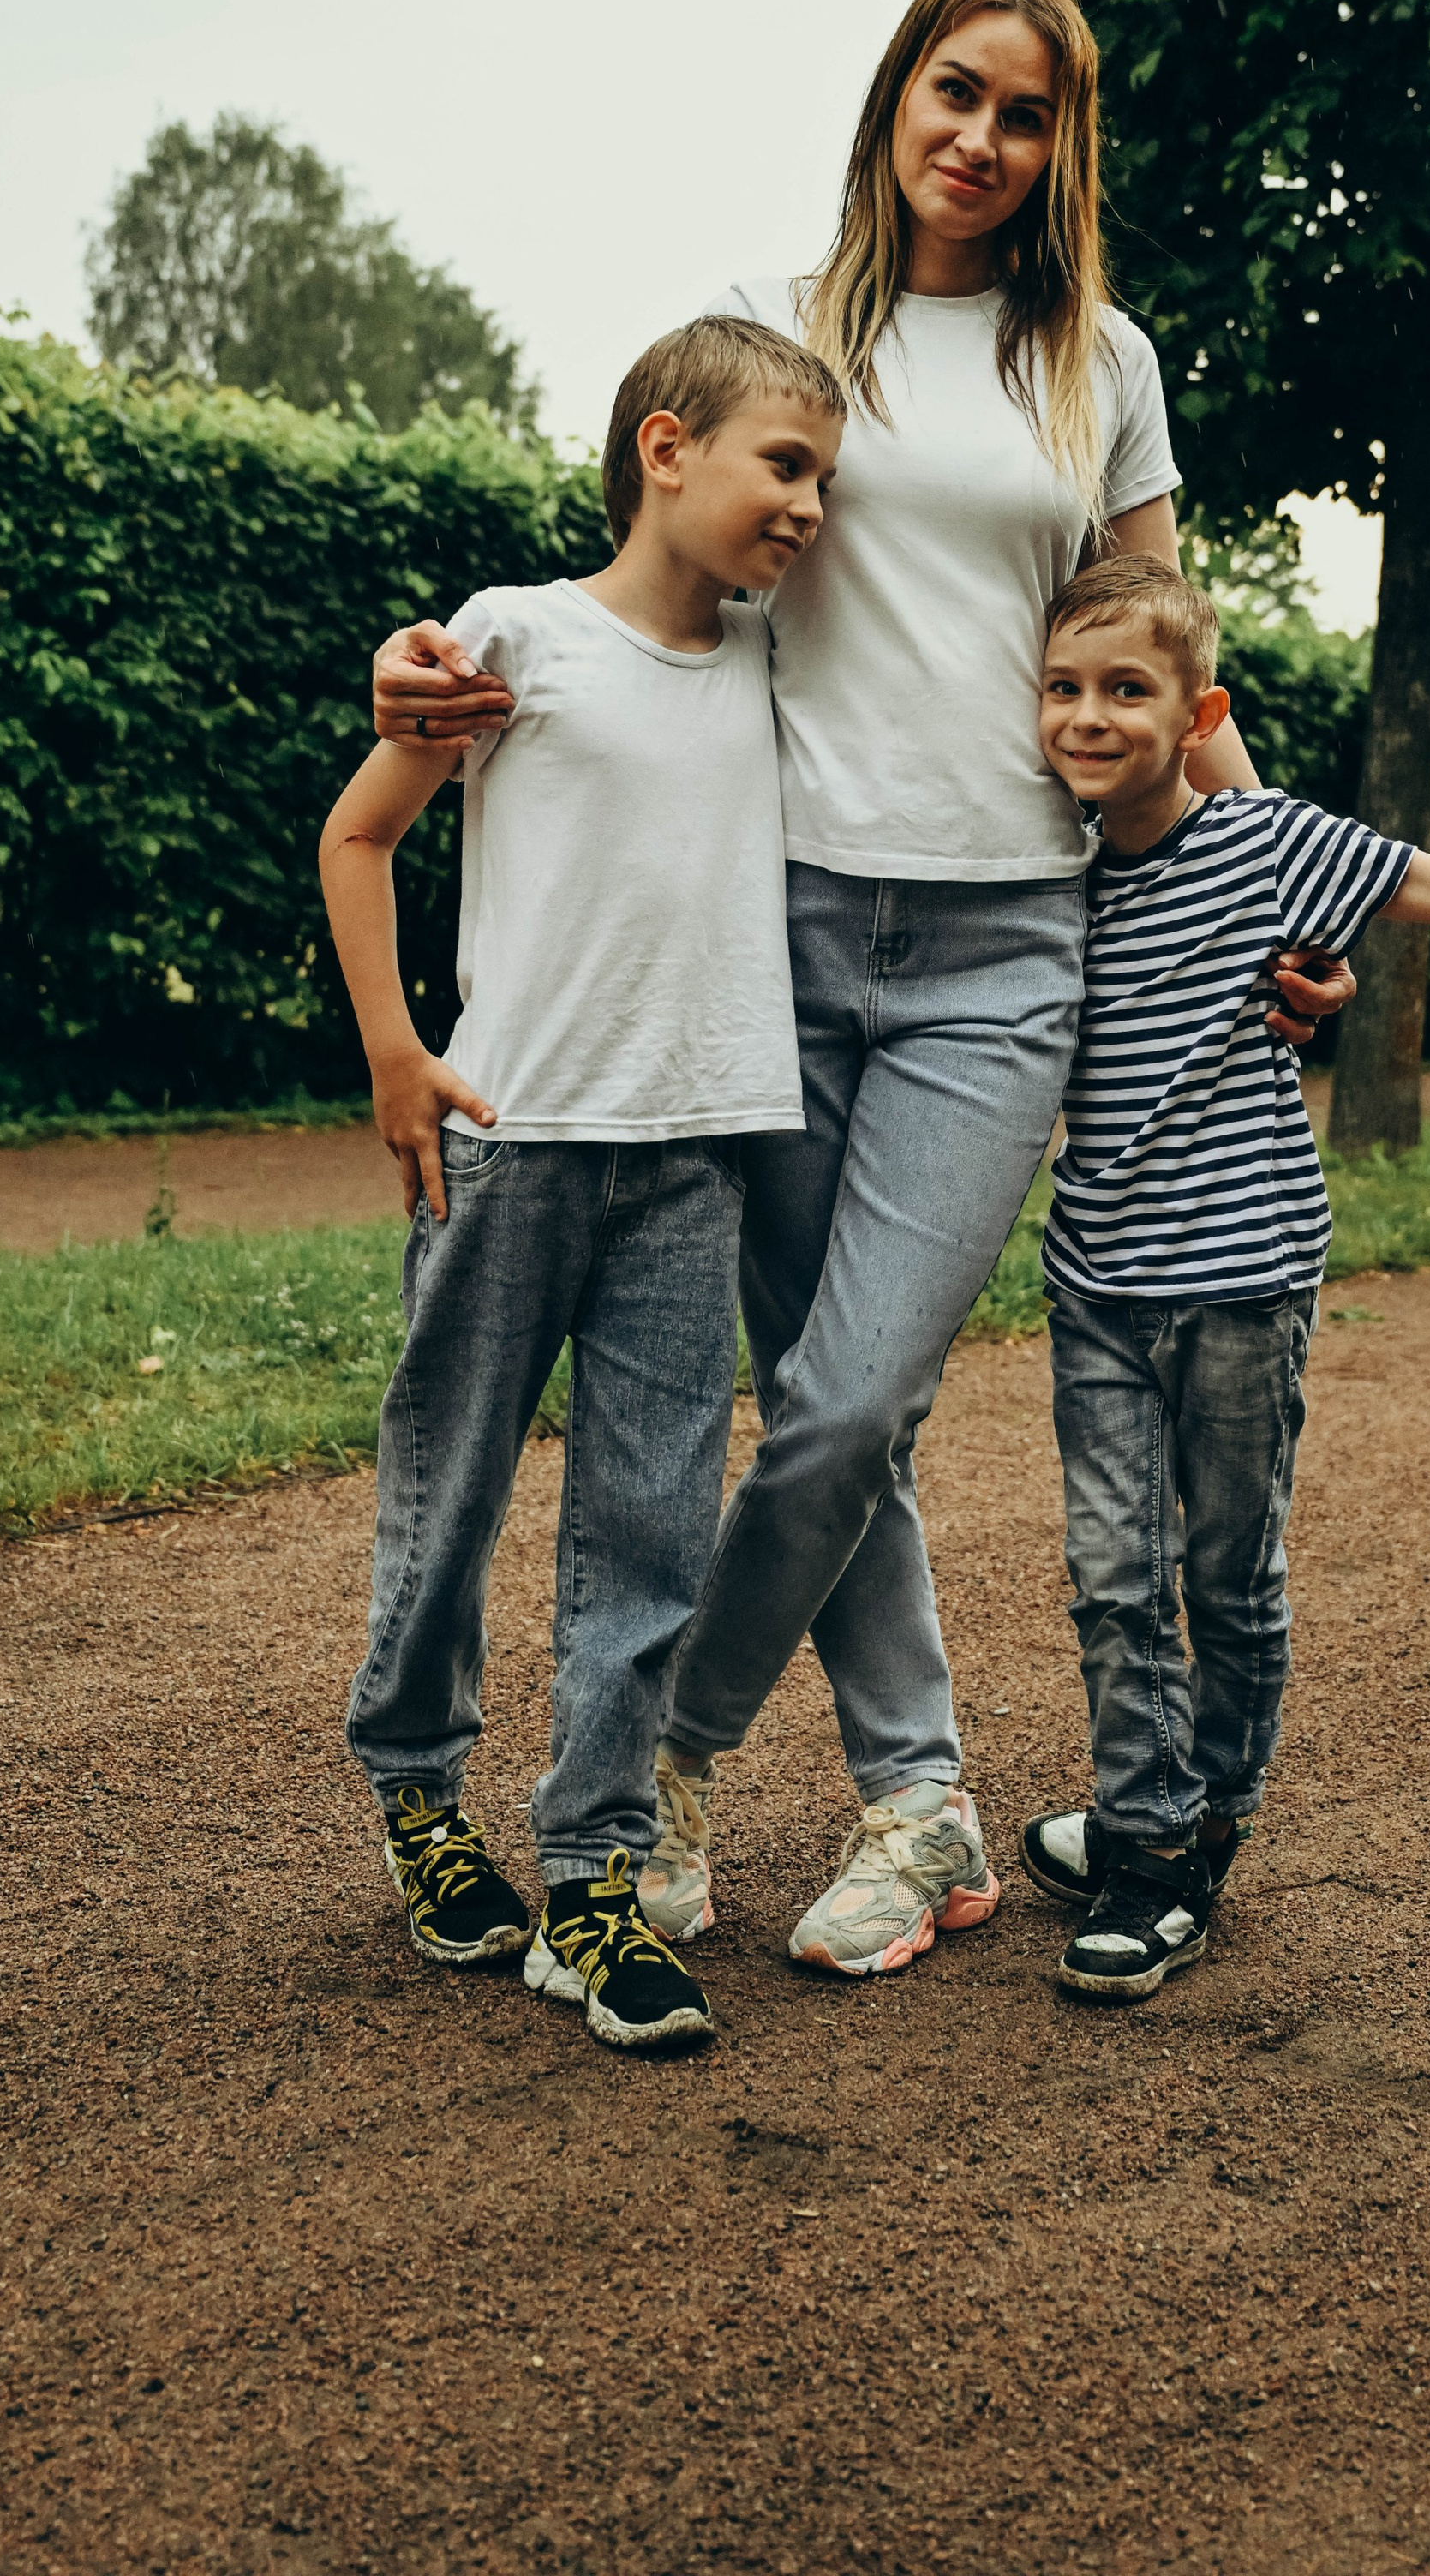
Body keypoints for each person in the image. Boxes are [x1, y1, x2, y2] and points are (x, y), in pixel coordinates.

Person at [368, 0, 1357, 1982]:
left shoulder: (1104, 366)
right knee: (837, 1417)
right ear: (894, 94)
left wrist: (1272, 894)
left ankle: (663, 1770)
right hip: (778, 925)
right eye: (952, 93)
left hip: (1008, 940)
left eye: (1024, 114)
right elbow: (665, 577)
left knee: (840, 1400)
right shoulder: (788, 321)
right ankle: (919, 1806)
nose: (980, 141)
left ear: (1059, 146)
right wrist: (424, 673)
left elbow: (1161, 654)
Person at [1020, 553, 1430, 2000]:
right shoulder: (1037, 871)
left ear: (1202, 712)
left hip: (1247, 1283)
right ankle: (1146, 1838)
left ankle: (1211, 1815)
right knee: (1113, 1578)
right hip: (1097, 1287)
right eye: (1062, 688)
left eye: (1126, 689)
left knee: (1224, 1570)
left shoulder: (1270, 846)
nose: (1087, 716)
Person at [319, 315, 846, 2048]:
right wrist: (397, 1051)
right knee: (448, 1490)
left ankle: (594, 1885)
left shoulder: (783, 658)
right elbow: (358, 832)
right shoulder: (514, 636)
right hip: (510, 1142)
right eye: (785, 465)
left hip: (689, 1157)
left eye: (826, 482)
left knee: (645, 1540)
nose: (808, 508)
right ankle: (413, 1788)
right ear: (665, 448)